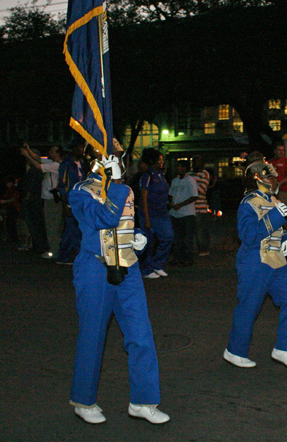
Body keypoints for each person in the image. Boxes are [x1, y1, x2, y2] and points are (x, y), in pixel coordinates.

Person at [67, 150, 169, 425]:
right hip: (95, 268)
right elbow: (104, 219)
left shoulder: (122, 188)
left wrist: (138, 237)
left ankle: (144, 400)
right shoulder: (81, 191)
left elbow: (126, 224)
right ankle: (83, 400)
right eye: (113, 155)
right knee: (93, 335)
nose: (120, 161)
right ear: (97, 161)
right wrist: (113, 184)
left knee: (141, 334)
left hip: (128, 266)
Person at [223, 160, 287, 371]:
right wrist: (276, 216)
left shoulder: (272, 199)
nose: (274, 180)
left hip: (276, 259)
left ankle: (285, 348)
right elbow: (248, 236)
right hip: (255, 261)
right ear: (257, 179)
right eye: (270, 177)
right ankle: (235, 351)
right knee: (249, 307)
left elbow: (279, 230)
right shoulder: (248, 202)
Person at [21, 143, 63, 259]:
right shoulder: (53, 164)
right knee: (52, 225)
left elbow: (38, 165)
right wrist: (29, 150)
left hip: (52, 199)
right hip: (49, 198)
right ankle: (55, 249)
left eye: (53, 151)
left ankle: (54, 251)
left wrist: (27, 155)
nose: (50, 153)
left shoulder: (56, 165)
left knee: (52, 226)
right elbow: (39, 159)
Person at [138, 148, 173, 279]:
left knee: (168, 237)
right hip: (149, 214)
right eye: (159, 160)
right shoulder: (147, 176)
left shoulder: (161, 175)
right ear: (152, 161)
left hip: (162, 214)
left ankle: (157, 264)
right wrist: (147, 218)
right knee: (148, 243)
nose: (161, 162)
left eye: (162, 160)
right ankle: (146, 269)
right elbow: (144, 198)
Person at [57, 139, 87, 264]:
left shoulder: (82, 163)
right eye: (80, 147)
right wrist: (65, 203)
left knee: (71, 230)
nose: (83, 150)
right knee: (75, 230)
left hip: (79, 200)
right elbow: (62, 185)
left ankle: (62, 256)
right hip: (71, 200)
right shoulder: (67, 164)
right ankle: (83, 257)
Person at [168, 158, 198, 267]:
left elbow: (194, 196)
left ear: (185, 168)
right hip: (175, 213)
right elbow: (171, 193)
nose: (177, 168)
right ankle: (178, 258)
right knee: (177, 238)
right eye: (177, 166)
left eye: (179, 166)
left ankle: (187, 259)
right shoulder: (175, 180)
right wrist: (171, 203)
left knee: (187, 238)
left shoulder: (190, 180)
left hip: (186, 213)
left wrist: (180, 205)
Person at [192, 156, 211, 257]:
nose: (195, 164)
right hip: (189, 207)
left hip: (200, 207)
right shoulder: (189, 174)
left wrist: (190, 183)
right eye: (194, 162)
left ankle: (204, 249)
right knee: (192, 230)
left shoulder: (205, 173)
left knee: (201, 230)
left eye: (198, 162)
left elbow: (202, 189)